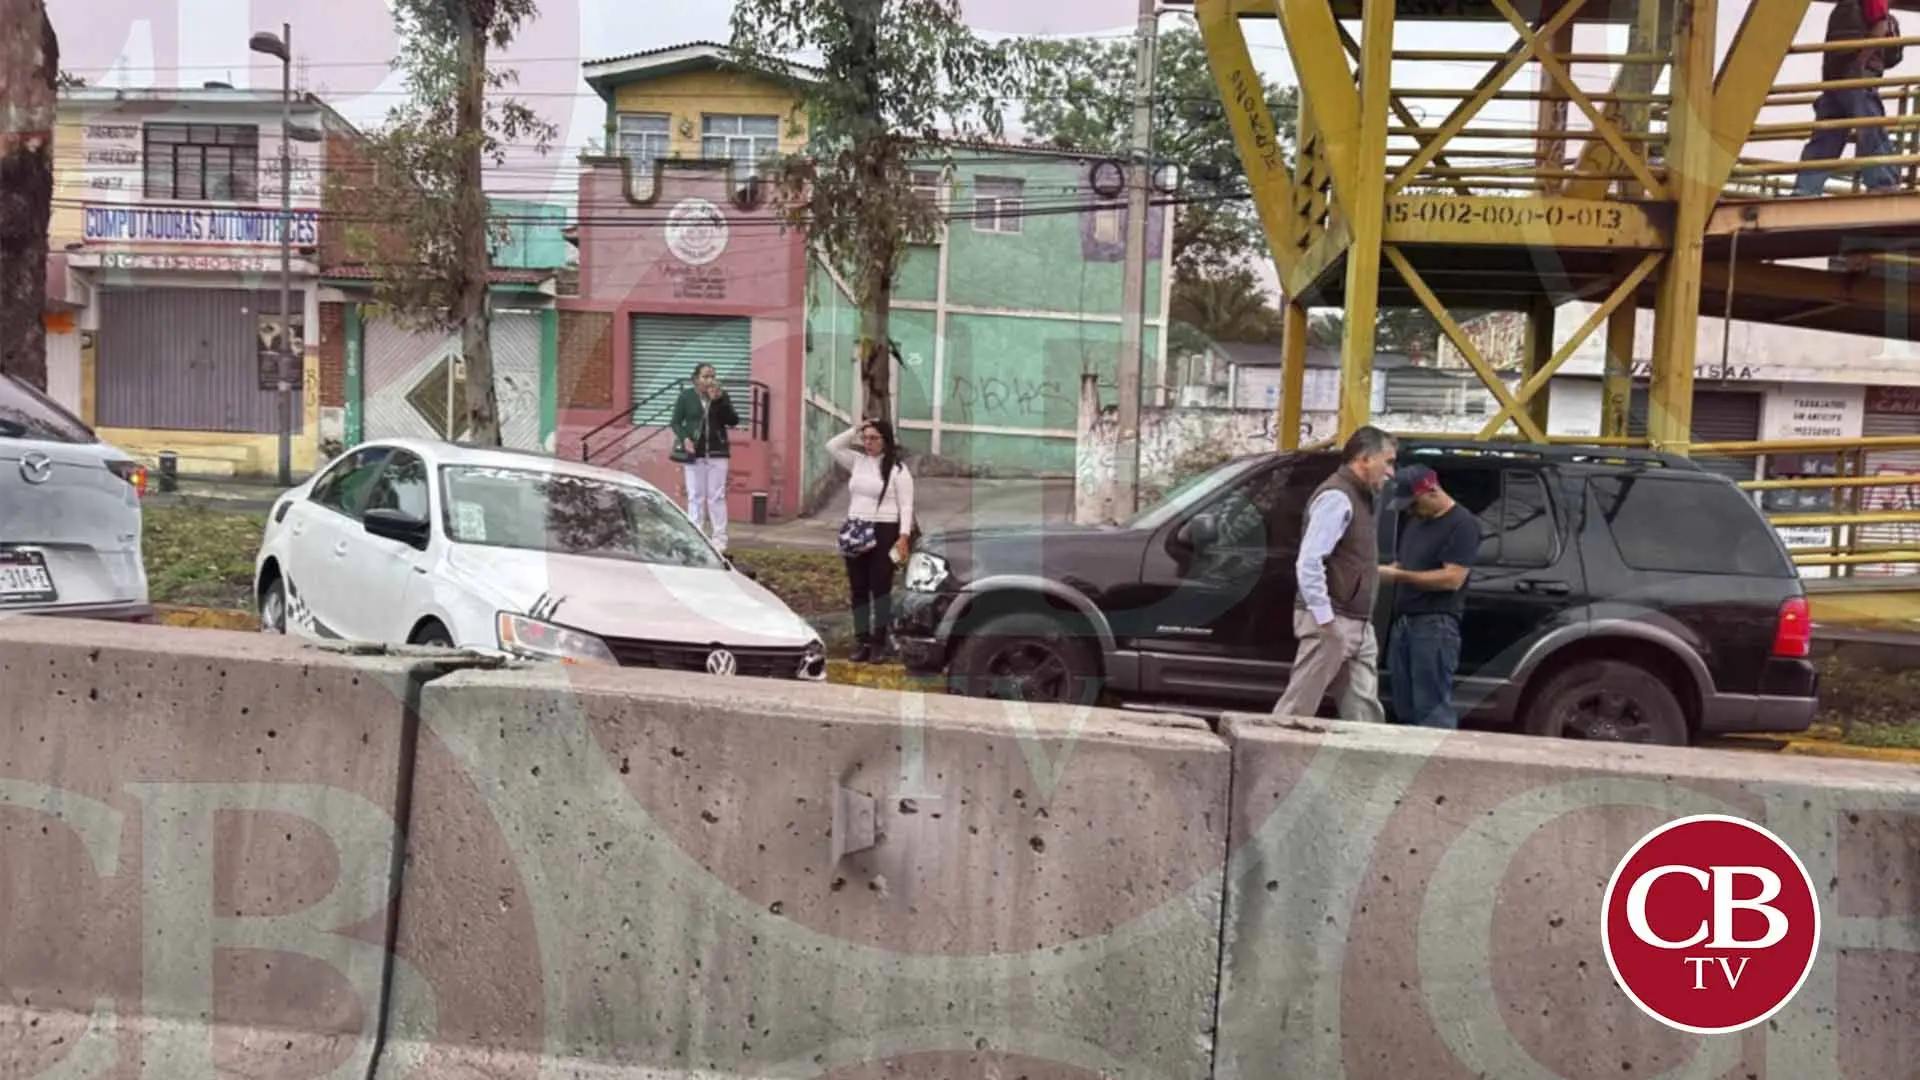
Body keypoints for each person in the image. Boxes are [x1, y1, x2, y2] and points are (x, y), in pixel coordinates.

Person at [1270, 426, 1396, 724]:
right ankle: (1269, 762)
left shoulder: (1360, 497)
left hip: (1356, 621)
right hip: (1333, 621)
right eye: (1388, 462)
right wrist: (1325, 618)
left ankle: (1364, 766)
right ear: (1365, 459)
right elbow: (1310, 561)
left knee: (1364, 712)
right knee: (1297, 709)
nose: (1391, 472)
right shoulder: (1337, 498)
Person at [1379, 465, 1478, 729]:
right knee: (1404, 705)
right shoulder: (1417, 522)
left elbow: (1453, 578)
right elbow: (1407, 562)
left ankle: (1437, 764)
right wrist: (1389, 570)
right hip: (1404, 623)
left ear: (1431, 492)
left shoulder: (1462, 524)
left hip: (1435, 625)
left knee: (1431, 707)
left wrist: (1400, 577)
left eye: (1413, 504)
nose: (1410, 511)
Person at [1793, 0, 1904, 197]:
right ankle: (1805, 190)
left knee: (1867, 128)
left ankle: (1882, 182)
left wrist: (1860, 64)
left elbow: (1881, 26)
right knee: (1828, 136)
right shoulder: (1848, 6)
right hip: (1837, 78)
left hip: (1851, 75)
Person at [827, 420, 916, 663]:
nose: (868, 443)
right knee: (858, 590)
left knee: (880, 590)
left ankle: (879, 642)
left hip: (884, 530)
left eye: (874, 438)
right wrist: (857, 427)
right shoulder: (857, 461)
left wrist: (904, 536)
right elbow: (832, 446)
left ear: (885, 440)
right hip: (856, 529)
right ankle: (862, 641)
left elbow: (906, 505)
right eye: (865, 438)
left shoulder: (898, 470)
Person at [669, 364, 742, 552]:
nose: (710, 380)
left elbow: (733, 420)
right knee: (695, 496)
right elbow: (675, 422)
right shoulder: (686, 396)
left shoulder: (721, 396)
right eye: (705, 376)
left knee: (716, 496)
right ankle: (696, 536)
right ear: (696, 378)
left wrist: (718, 401)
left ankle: (719, 539)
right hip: (695, 453)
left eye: (712, 376)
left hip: (718, 453)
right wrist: (685, 438)